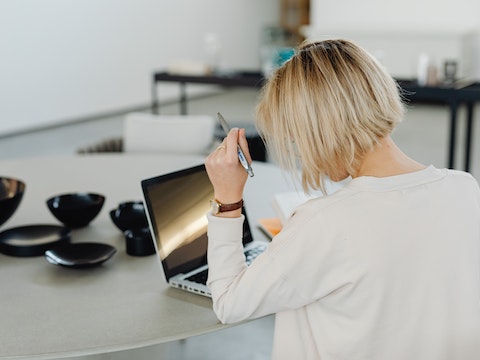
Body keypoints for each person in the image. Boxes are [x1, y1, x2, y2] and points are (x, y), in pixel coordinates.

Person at [204, 39, 480, 359]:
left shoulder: (323, 221)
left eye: (295, 139)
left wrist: (227, 197)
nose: (299, 155)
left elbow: (228, 302)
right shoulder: (465, 187)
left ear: (318, 131)